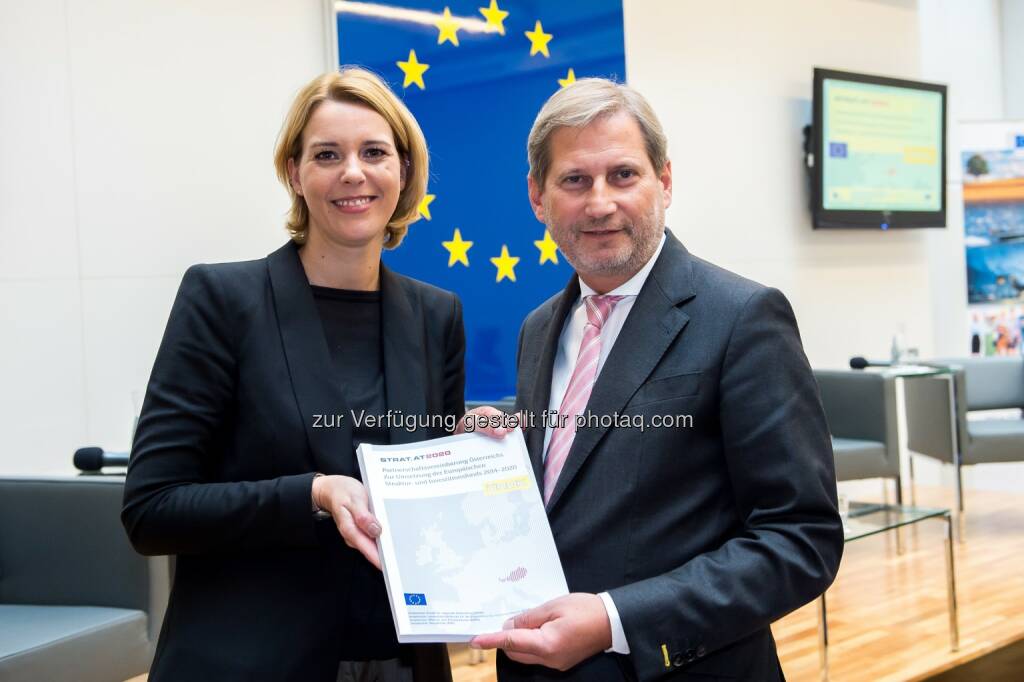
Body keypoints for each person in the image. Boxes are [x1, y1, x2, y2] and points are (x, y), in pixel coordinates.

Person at [468, 79, 844, 680]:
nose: (599, 203)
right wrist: (505, 453)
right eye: (574, 180)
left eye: (623, 175)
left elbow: (800, 540)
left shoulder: (744, 318)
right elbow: (591, 460)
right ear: (537, 197)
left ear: (664, 182)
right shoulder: (539, 329)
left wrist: (616, 619)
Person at [121, 68, 460, 682]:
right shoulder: (223, 299)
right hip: (249, 661)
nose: (353, 172)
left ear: (404, 172)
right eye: (327, 155)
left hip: (404, 663)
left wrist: (471, 448)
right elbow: (152, 508)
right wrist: (312, 493)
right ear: (294, 174)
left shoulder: (437, 315)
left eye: (374, 152)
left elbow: (426, 495)